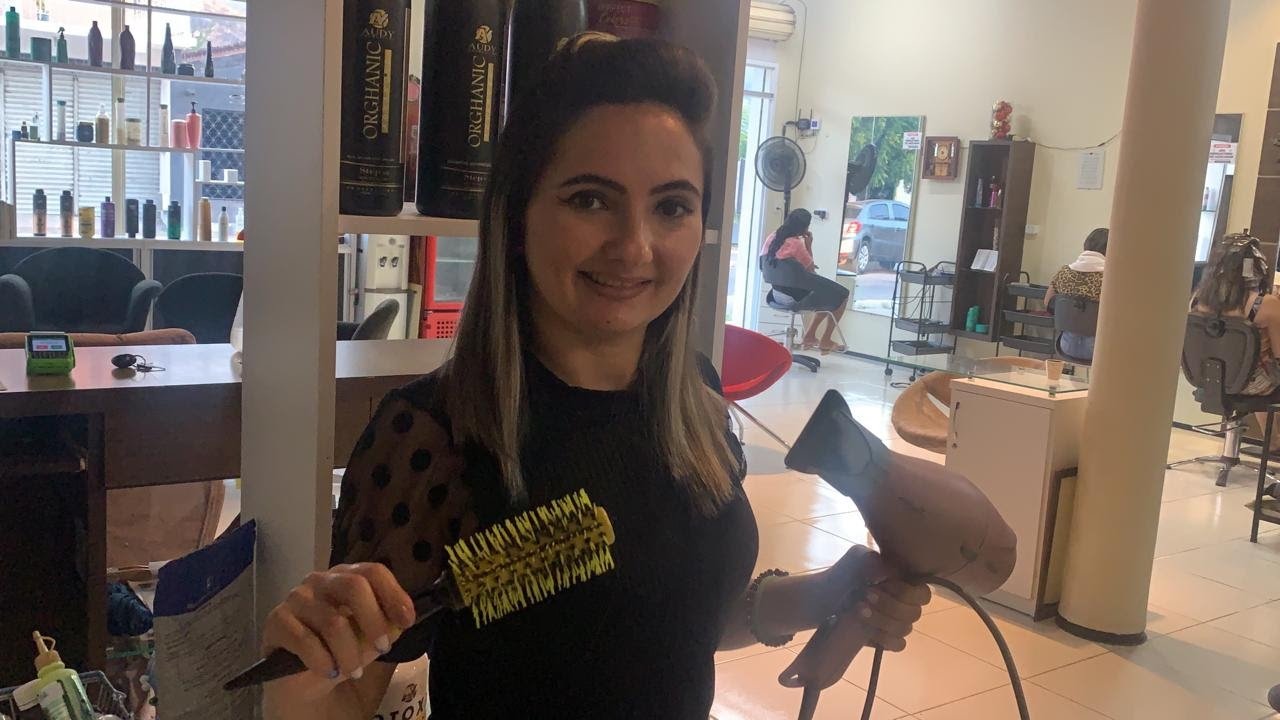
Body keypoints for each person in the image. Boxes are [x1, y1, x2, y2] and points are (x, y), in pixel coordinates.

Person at [260, 36, 929, 720]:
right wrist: (303, 679)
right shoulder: (431, 437)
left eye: (672, 206)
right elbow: (346, 698)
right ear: (517, 216)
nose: (634, 246)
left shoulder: (695, 402)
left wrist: (822, 595)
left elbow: (677, 623)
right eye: (590, 200)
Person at [1190, 233, 1280, 441]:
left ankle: (1272, 439)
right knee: (1261, 369)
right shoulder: (1266, 304)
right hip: (1252, 384)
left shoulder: (1198, 299)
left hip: (1206, 379)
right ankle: (1274, 441)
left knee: (1251, 367)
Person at [762, 208, 851, 353]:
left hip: (776, 295)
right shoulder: (796, 244)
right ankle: (826, 339)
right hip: (794, 299)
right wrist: (809, 245)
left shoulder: (772, 238)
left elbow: (765, 265)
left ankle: (810, 336)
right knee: (842, 295)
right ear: (804, 228)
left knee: (826, 292)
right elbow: (811, 272)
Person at [1043, 227, 1108, 360]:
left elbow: (1047, 302)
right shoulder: (1110, 278)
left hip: (1066, 345)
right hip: (1098, 349)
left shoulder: (1064, 273)